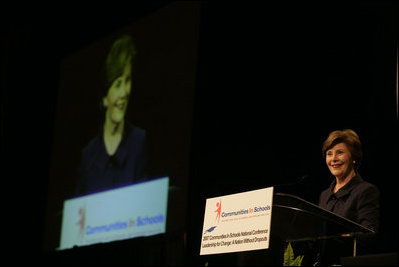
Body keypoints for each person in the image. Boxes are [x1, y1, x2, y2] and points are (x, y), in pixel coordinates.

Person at [75, 35, 148, 196]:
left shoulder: (139, 141)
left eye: (127, 80)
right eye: (117, 84)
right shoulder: (88, 156)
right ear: (104, 98)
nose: (124, 93)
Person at [319, 129, 380, 232]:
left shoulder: (365, 191)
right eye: (329, 154)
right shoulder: (324, 195)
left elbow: (368, 234)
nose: (333, 158)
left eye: (340, 152)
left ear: (353, 157)